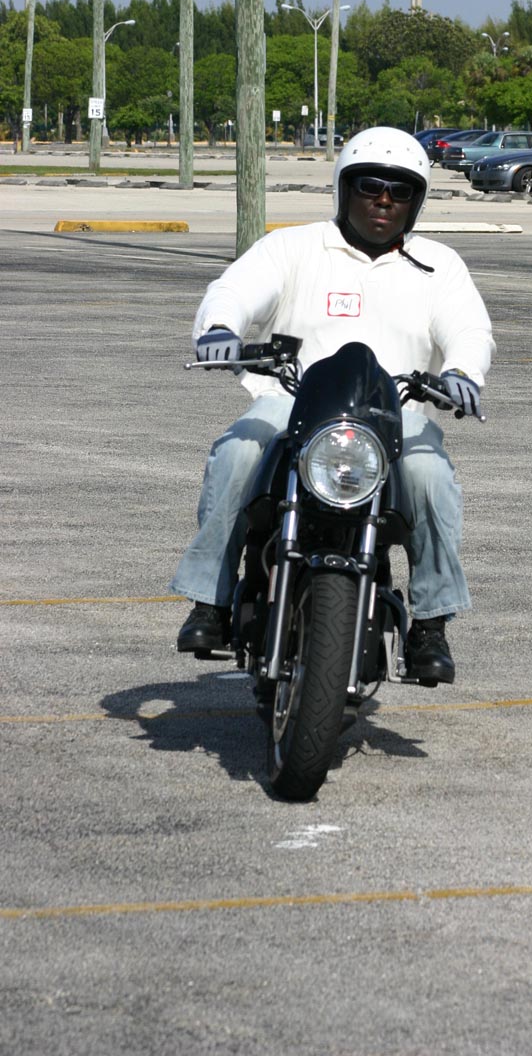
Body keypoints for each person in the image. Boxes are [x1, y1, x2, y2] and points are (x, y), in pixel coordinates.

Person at [171, 127, 495, 685]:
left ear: (416, 200)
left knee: (432, 478)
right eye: (370, 186)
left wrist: (463, 370)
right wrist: (221, 327)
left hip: (394, 414)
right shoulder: (293, 247)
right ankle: (211, 600)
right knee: (237, 454)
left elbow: (469, 328)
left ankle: (431, 623)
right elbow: (234, 289)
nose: (384, 200)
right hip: (290, 402)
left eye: (400, 191)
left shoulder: (439, 264)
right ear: (345, 188)